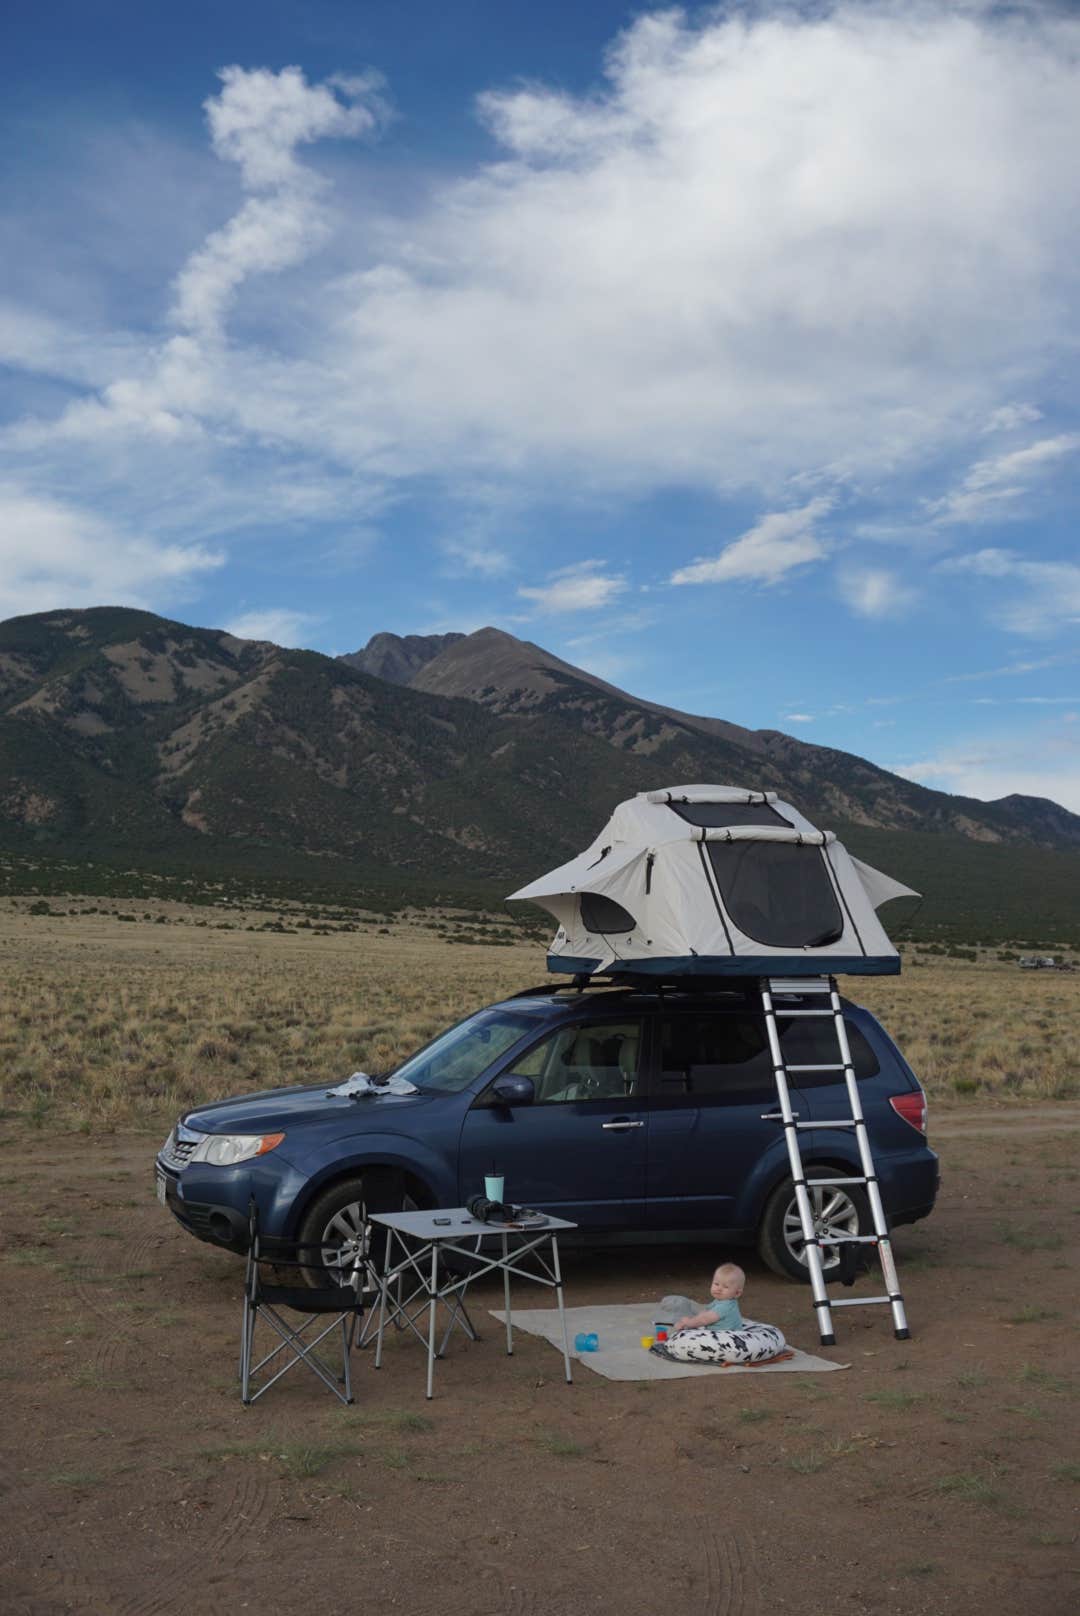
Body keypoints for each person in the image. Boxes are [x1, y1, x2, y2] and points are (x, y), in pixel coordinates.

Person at [653, 1262, 786, 1365]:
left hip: (729, 1336)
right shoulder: (719, 1300)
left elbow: (706, 1319)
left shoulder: (726, 1305)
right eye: (716, 1284)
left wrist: (690, 1323)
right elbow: (705, 1312)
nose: (718, 1289)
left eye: (725, 1287)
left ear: (737, 1293)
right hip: (720, 1332)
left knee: (689, 1331)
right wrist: (692, 1319)